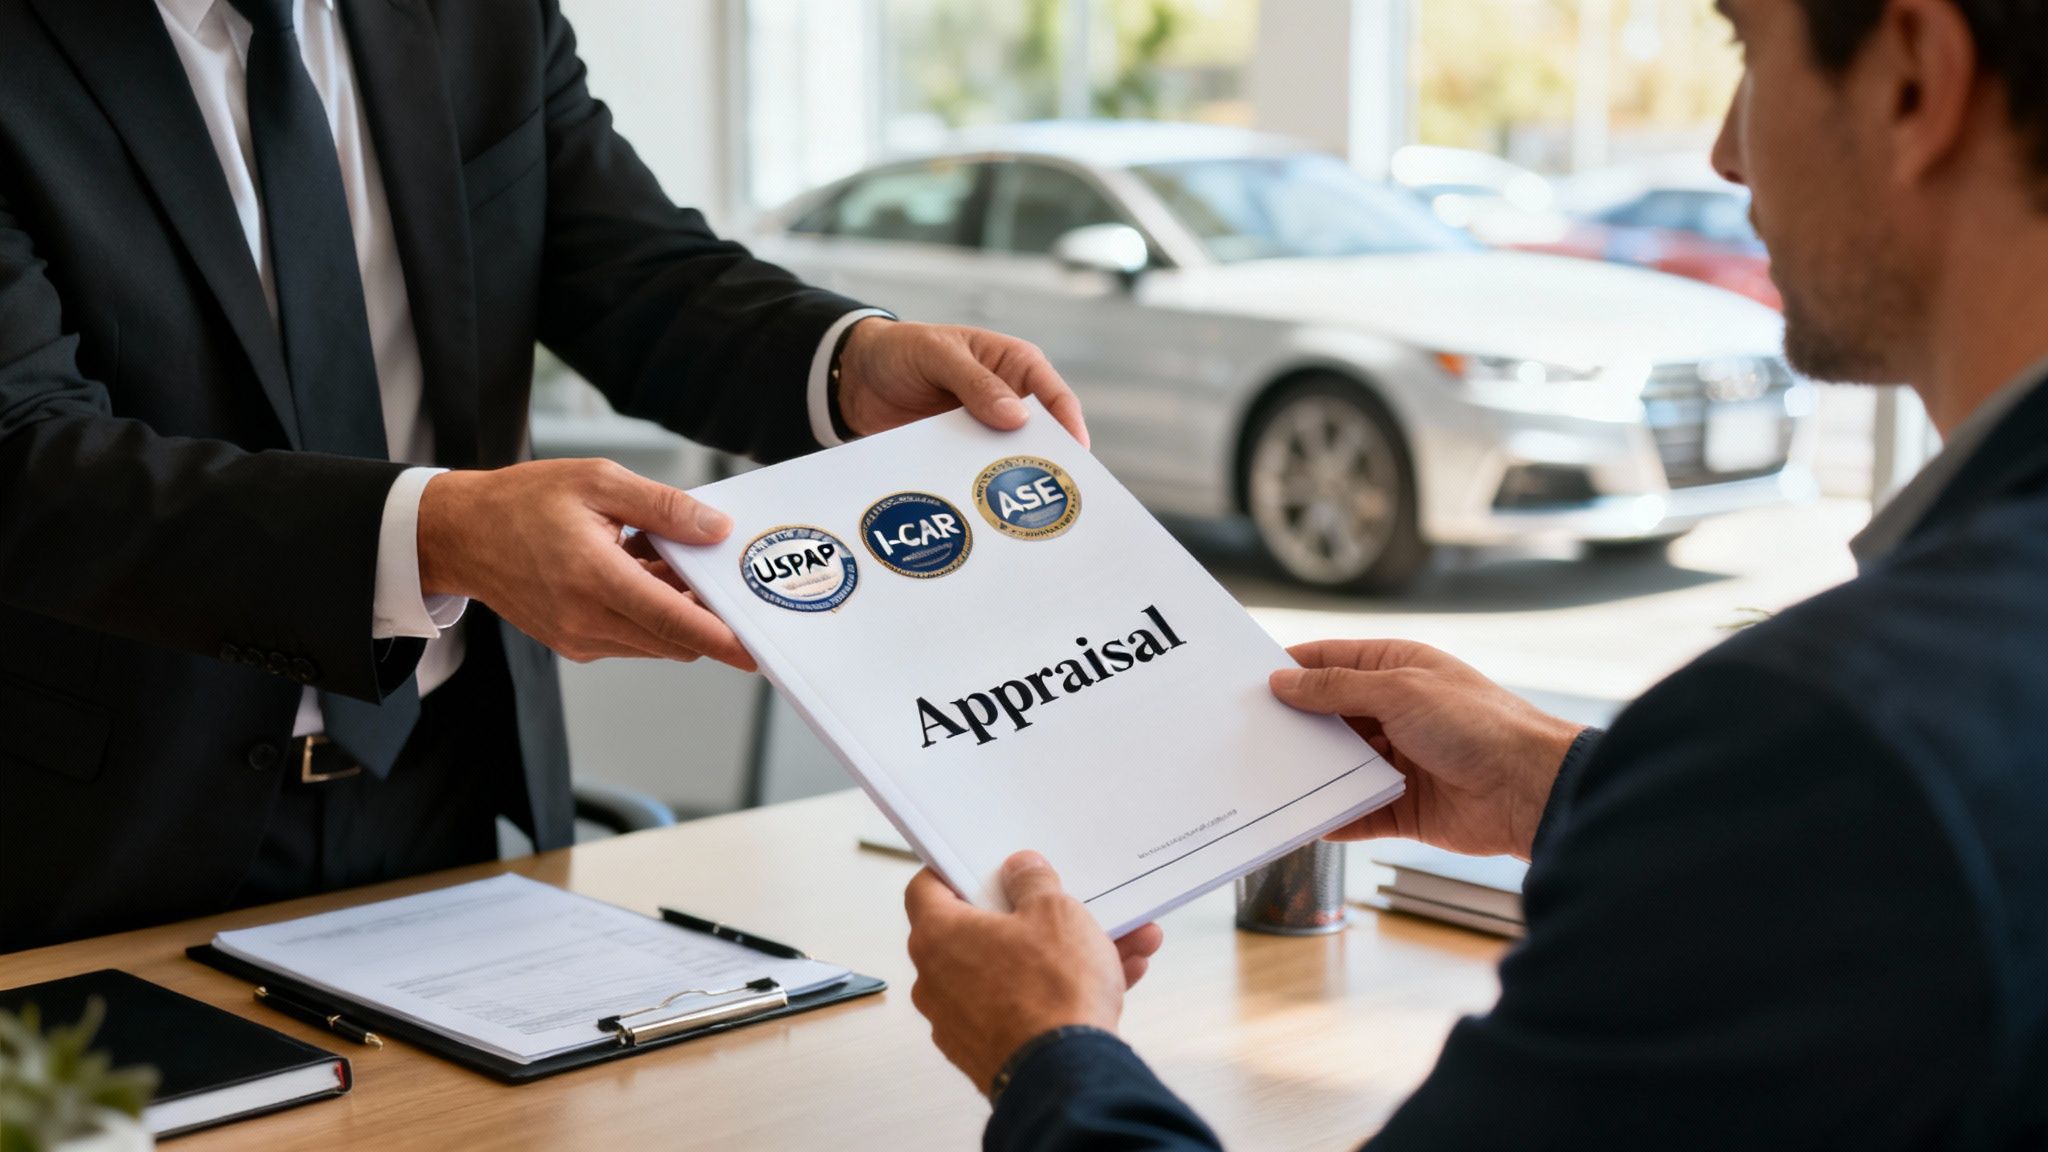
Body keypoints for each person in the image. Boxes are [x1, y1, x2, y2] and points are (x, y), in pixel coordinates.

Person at [902, 0, 2048, 1146]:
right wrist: (1558, 786)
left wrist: (1045, 1052)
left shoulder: (1842, 727)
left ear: (1911, 77)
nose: (1721, 152)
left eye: (1746, 51)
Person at [0, 0, 1087, 951]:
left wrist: (846, 361)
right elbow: (26, 451)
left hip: (450, 779)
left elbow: (630, 269)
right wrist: (439, 534)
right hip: (100, 828)